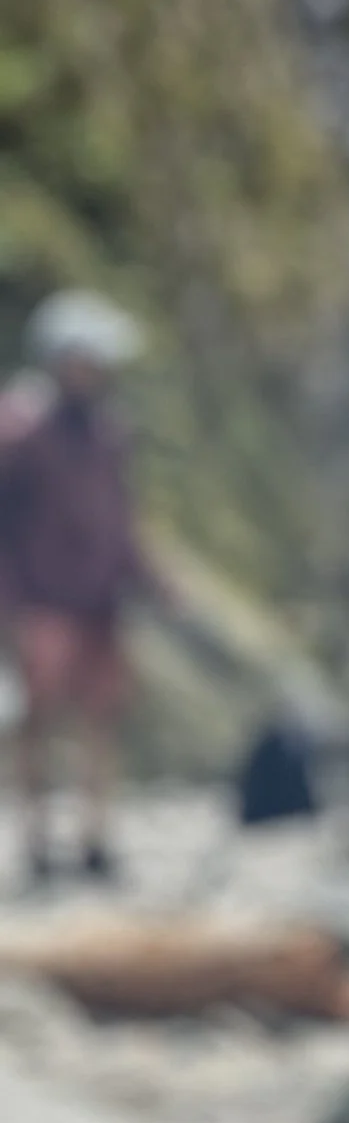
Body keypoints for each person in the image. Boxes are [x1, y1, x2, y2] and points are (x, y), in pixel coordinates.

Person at [0, 291, 157, 884]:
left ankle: (96, 838)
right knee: (37, 719)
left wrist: (151, 580)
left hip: (100, 601)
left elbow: (120, 519)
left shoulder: (108, 432)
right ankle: (37, 840)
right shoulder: (19, 426)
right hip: (40, 599)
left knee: (102, 717)